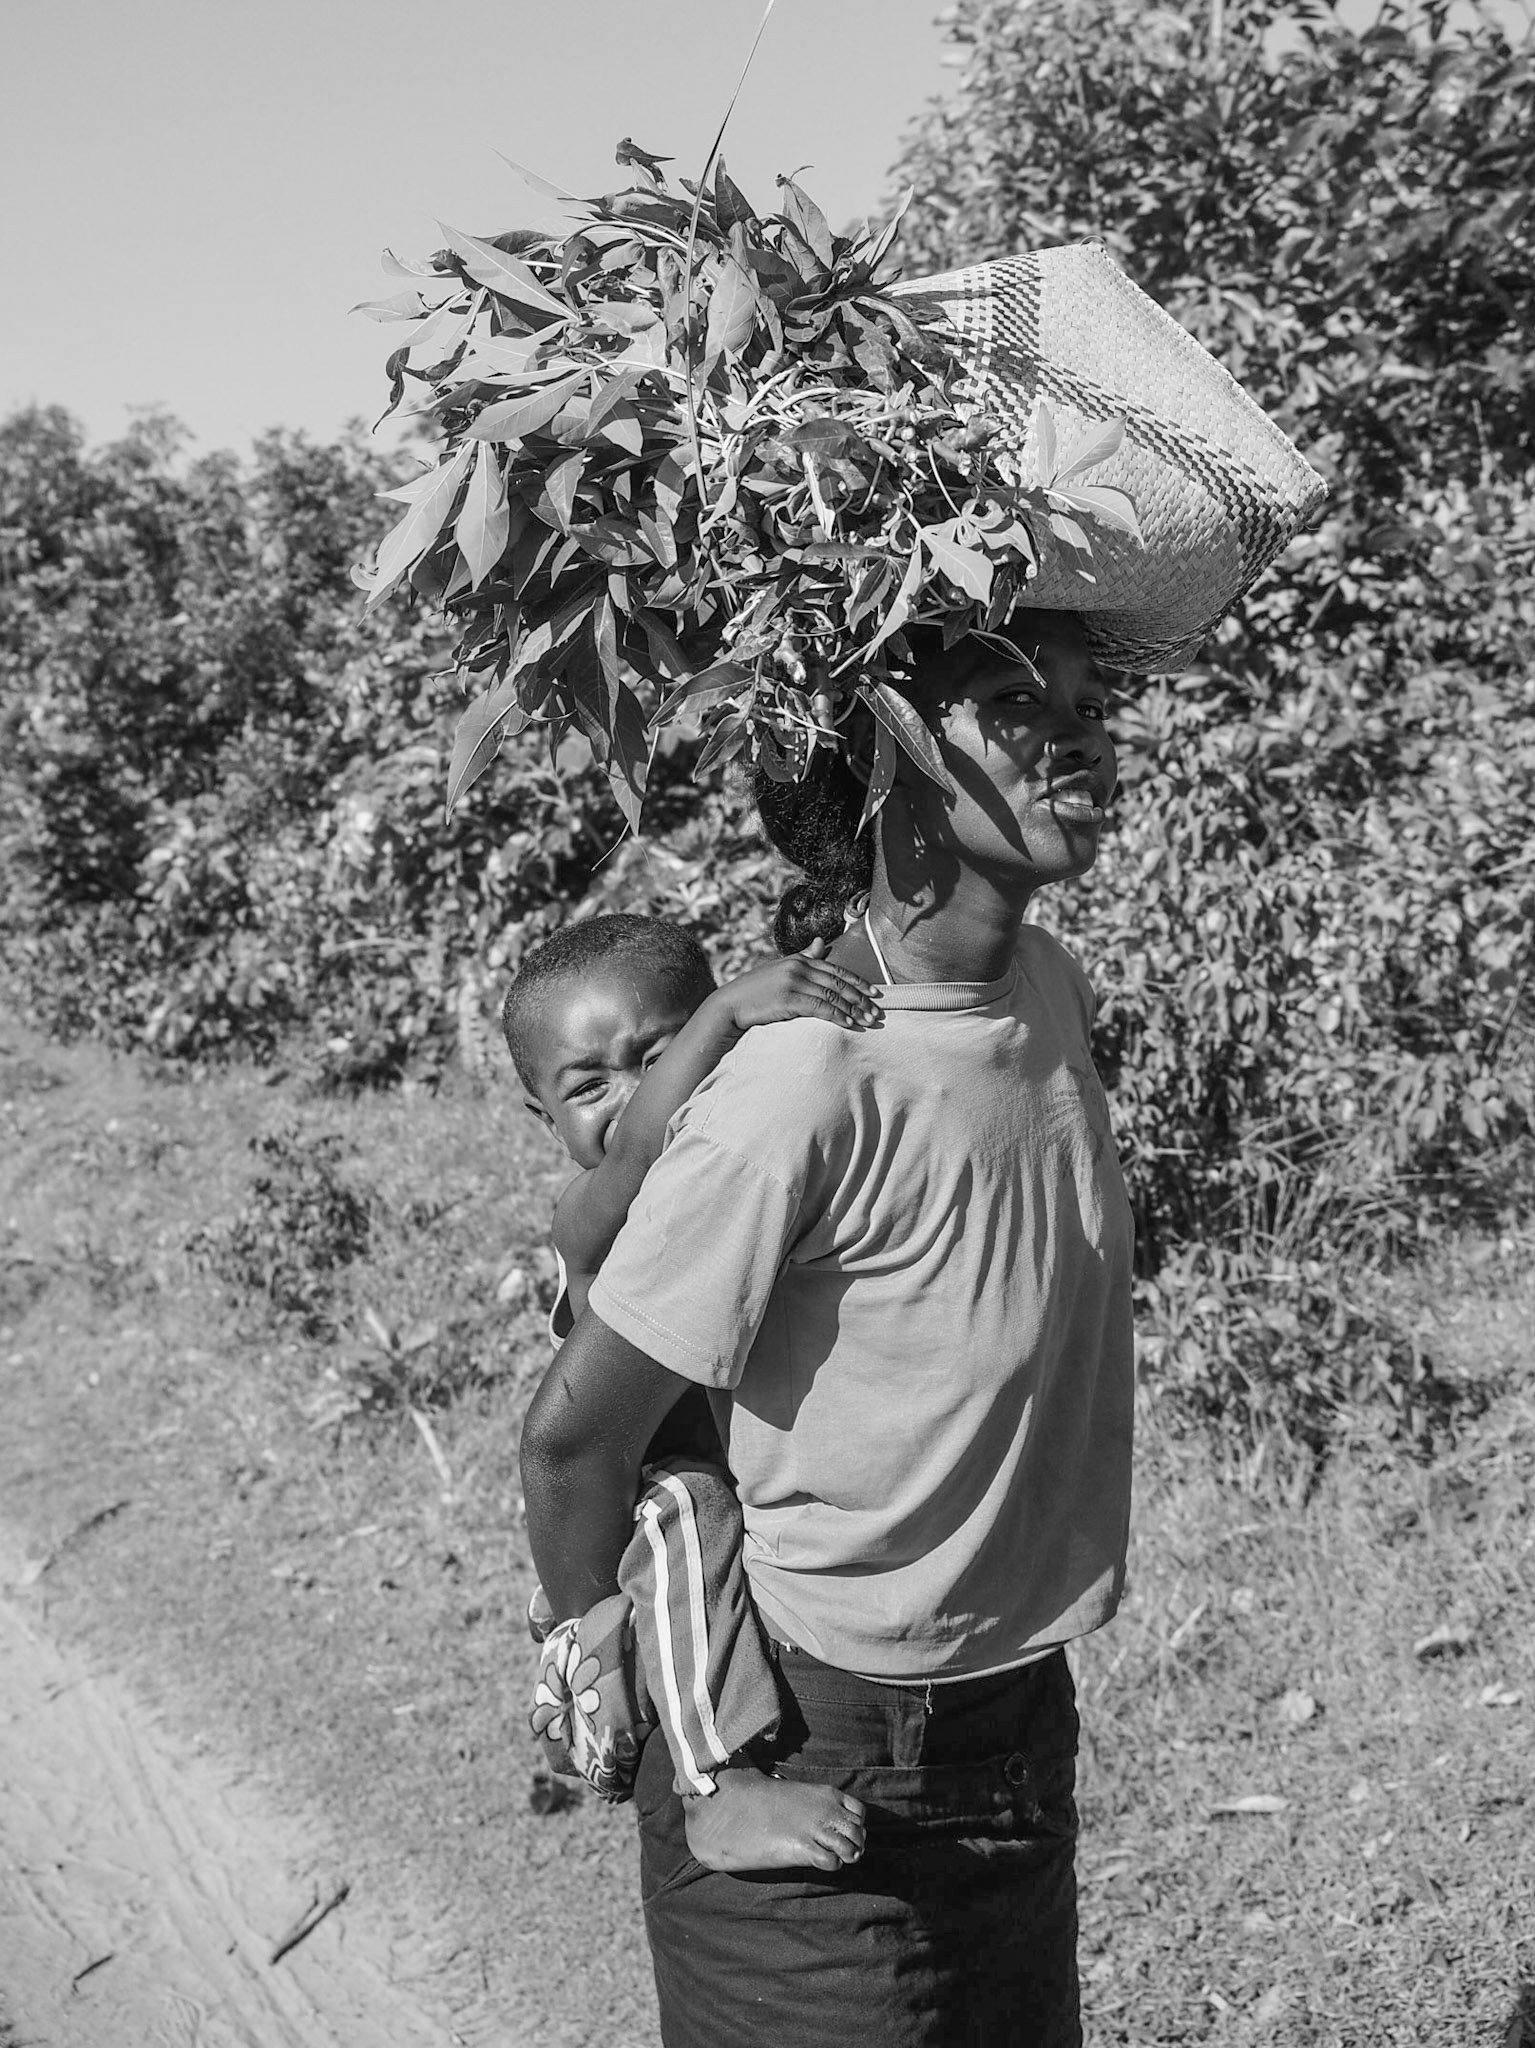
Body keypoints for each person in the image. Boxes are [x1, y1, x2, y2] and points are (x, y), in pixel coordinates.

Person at [520, 610, 1136, 2046]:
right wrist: (618, 1673)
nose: (1078, 732)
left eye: (1083, 697)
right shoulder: (798, 1085)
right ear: (880, 769)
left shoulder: (1046, 991)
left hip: (1010, 1721)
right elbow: (570, 1442)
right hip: (804, 1738)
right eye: (1010, 701)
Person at [505, 912, 880, 1871]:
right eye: (589, 1087)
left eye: (656, 1056)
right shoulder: (585, 1214)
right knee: (693, 1505)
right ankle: (715, 1785)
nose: (632, 1097)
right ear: (544, 1119)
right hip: (650, 1507)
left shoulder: (742, 1171)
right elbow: (639, 1151)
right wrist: (719, 1017)